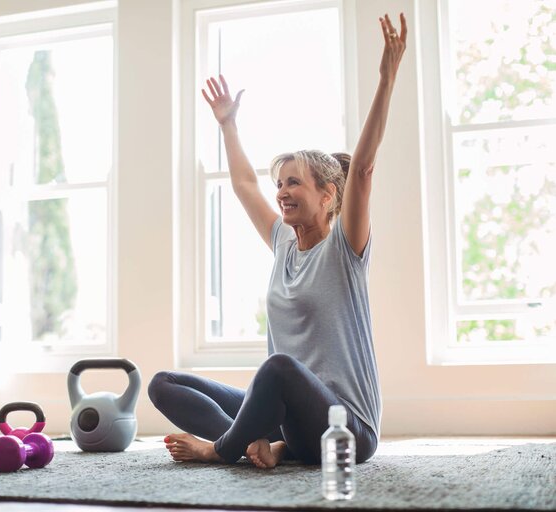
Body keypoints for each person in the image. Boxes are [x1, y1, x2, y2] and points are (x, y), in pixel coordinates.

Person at [148, 13, 407, 468]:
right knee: (164, 384)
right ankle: (266, 445)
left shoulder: (345, 248)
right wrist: (228, 124)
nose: (282, 192)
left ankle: (224, 450)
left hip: (348, 432)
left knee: (278, 368)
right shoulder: (284, 243)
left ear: (328, 196)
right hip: (293, 418)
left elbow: (363, 167)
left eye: (295, 184)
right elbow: (246, 185)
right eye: (281, 184)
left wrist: (386, 79)